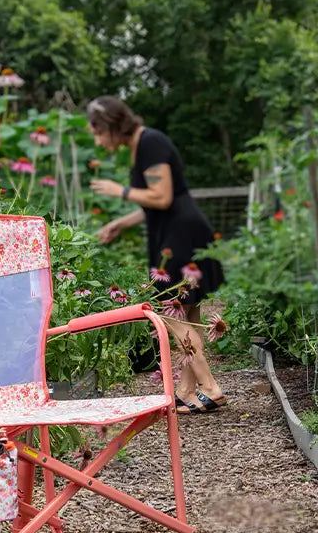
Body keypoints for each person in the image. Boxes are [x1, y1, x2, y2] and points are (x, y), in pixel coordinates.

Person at [86, 96, 226, 414]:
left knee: (169, 312)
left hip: (180, 233)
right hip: (177, 228)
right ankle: (187, 390)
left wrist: (118, 190)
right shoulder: (142, 145)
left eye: (97, 132)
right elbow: (158, 200)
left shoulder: (150, 142)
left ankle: (210, 387)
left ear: (109, 126)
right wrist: (121, 222)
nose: (96, 140)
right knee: (187, 313)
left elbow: (161, 197)